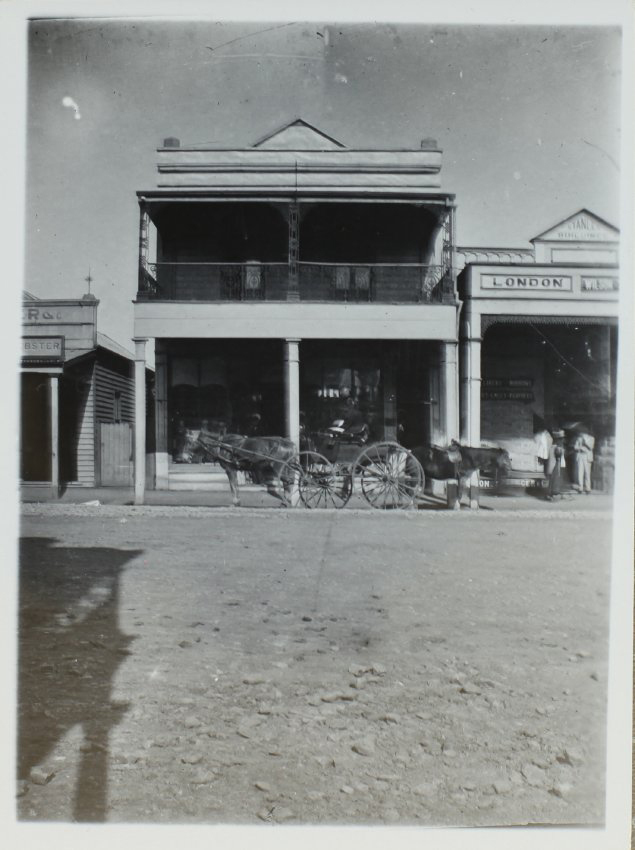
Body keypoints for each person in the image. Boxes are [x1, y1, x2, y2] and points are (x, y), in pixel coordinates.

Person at [571, 429, 595, 494]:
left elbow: (591, 447)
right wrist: (579, 448)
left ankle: (588, 488)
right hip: (580, 455)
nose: (583, 433)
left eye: (585, 432)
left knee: (587, 473)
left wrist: (585, 441)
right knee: (580, 472)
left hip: (587, 457)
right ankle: (580, 487)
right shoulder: (579, 438)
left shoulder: (591, 438)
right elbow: (575, 447)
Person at [546, 430, 566, 501]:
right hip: (556, 466)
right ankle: (553, 495)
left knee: (552, 481)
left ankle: (550, 494)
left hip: (553, 466)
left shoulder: (552, 446)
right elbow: (558, 457)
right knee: (555, 480)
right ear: (558, 439)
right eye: (562, 438)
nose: (563, 440)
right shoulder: (557, 447)